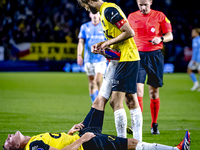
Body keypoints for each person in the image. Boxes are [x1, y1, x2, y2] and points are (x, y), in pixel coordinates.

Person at [77, 0, 143, 141]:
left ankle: (127, 142)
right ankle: (132, 142)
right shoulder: (103, 12)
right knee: (124, 100)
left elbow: (129, 32)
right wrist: (102, 47)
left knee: (118, 100)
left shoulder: (109, 10)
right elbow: (117, 42)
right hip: (117, 59)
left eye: (86, 6)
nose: (87, 9)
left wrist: (108, 42)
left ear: (89, 1)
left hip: (127, 58)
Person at [3, 105, 191, 150]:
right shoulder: (33, 147)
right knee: (132, 143)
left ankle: (114, 64)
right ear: (15, 147)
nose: (9, 135)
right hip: (87, 143)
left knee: (99, 102)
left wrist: (69, 132)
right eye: (8, 140)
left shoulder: (33, 141)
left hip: (81, 136)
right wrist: (83, 139)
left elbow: (59, 143)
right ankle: (176, 149)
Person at [127, 0, 173, 135]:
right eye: (140, 4)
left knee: (153, 93)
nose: (143, 7)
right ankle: (138, 125)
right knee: (138, 92)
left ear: (151, 2)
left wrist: (161, 39)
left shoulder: (160, 16)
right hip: (137, 57)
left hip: (155, 57)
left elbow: (170, 35)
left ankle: (154, 124)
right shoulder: (131, 16)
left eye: (145, 4)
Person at [77, 12, 107, 103]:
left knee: (98, 80)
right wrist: (79, 55)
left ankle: (100, 102)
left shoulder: (104, 26)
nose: (94, 15)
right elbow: (81, 42)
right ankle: (94, 103)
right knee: (92, 82)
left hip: (101, 59)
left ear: (99, 14)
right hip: (88, 59)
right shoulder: (85, 27)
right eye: (92, 13)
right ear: (90, 15)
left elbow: (108, 42)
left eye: (96, 13)